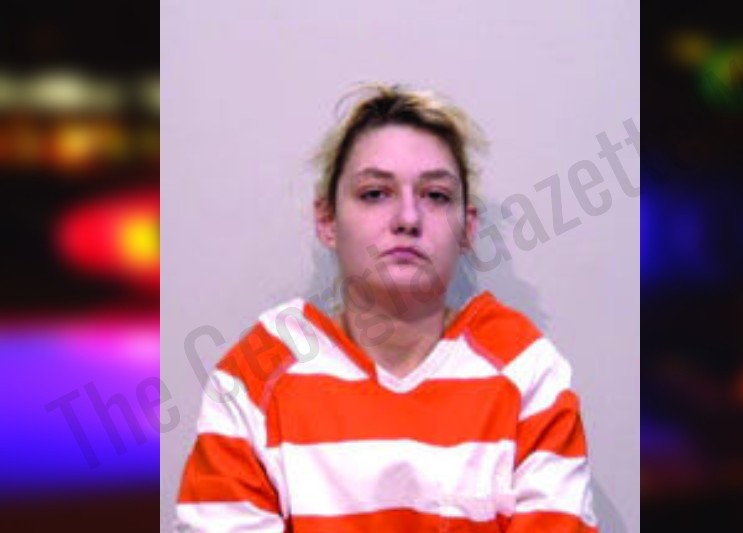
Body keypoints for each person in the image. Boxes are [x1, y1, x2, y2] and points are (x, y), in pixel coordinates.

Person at [175, 83, 599, 532]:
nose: (408, 219)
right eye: (375, 193)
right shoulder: (255, 375)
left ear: (468, 228)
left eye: (436, 195)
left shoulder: (528, 372)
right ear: (327, 220)